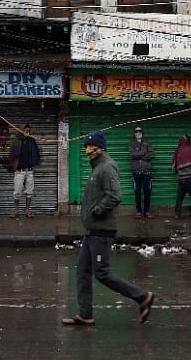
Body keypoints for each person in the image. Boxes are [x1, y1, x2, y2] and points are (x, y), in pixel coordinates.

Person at [62, 131, 154, 328]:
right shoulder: (98, 168)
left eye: (89, 146)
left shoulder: (107, 167)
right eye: (85, 146)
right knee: (83, 272)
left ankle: (143, 296)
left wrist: (97, 211)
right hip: (92, 229)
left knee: (101, 272)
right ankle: (85, 314)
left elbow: (115, 195)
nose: (86, 150)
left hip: (101, 229)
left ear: (99, 148)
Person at [9, 124, 41, 218]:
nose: (27, 131)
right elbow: (12, 154)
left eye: (28, 130)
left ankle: (27, 210)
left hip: (29, 170)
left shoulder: (31, 140)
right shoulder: (16, 140)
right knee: (17, 191)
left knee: (29, 191)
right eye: (25, 130)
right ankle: (16, 210)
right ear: (21, 130)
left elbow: (36, 153)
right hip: (19, 170)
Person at [172, 134, 191, 219]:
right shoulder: (189, 149)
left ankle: (177, 214)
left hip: (181, 179)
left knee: (180, 197)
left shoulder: (177, 150)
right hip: (189, 178)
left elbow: (174, 164)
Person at [129, 126, 155, 218]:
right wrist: (144, 152)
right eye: (136, 131)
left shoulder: (147, 143)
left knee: (147, 192)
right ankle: (139, 211)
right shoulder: (132, 144)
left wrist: (139, 156)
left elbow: (152, 154)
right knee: (137, 192)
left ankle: (147, 211)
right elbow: (132, 154)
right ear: (134, 133)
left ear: (142, 132)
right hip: (137, 172)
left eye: (140, 131)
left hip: (147, 172)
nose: (138, 133)